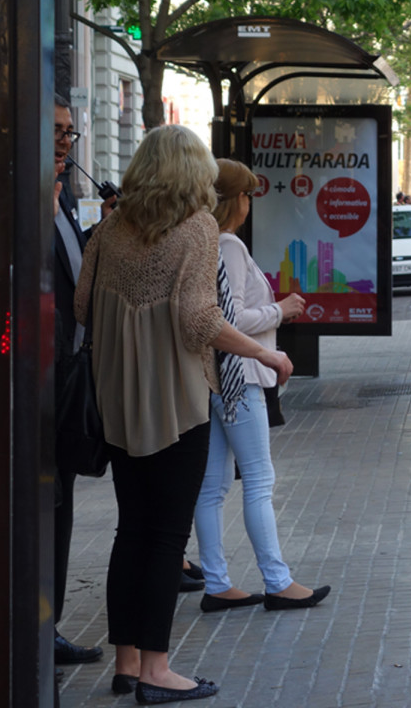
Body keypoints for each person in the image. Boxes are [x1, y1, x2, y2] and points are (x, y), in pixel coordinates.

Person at [75, 125, 293, 704]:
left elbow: (80, 303)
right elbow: (199, 321)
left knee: (131, 532)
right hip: (174, 400)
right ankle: (157, 671)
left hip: (116, 399)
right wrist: (267, 353)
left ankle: (125, 664)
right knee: (167, 539)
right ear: (191, 173)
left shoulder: (112, 227)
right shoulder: (196, 228)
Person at [192, 159, 331, 614]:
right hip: (241, 376)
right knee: (258, 479)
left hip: (216, 376)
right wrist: (281, 310)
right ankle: (277, 581)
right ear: (235, 200)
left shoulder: (208, 242)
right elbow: (228, 320)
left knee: (212, 486)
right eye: (249, 194)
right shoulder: (227, 244)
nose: (252, 202)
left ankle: (217, 582)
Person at [51, 94, 105, 668]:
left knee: (61, 506)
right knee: (48, 505)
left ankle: (51, 621)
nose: (64, 142)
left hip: (67, 380)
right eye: (55, 131)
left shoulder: (63, 202)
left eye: (69, 132)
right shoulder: (29, 203)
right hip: (40, 384)